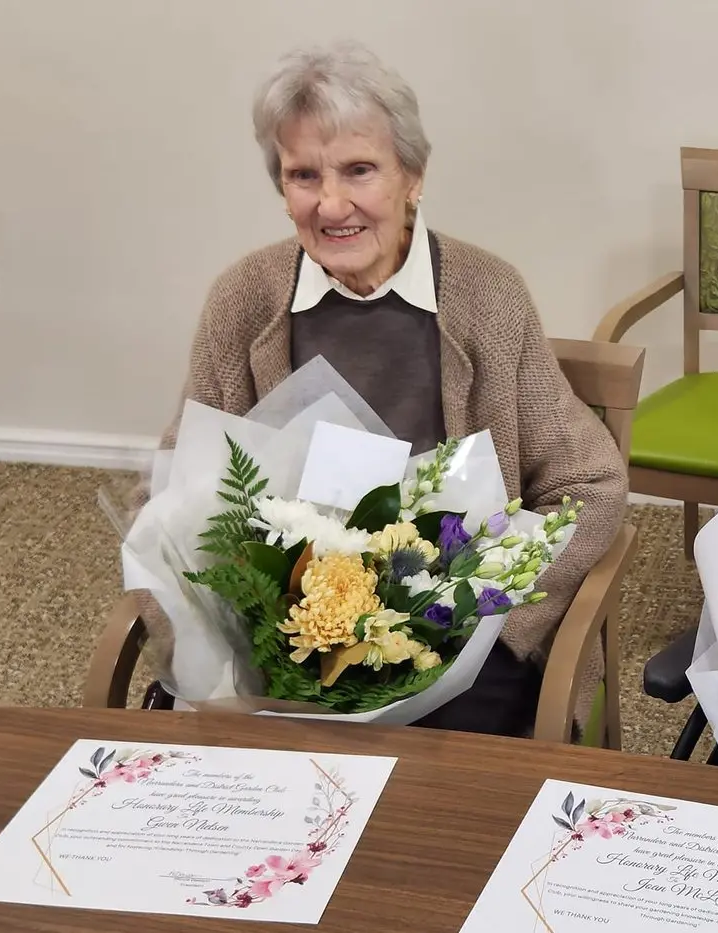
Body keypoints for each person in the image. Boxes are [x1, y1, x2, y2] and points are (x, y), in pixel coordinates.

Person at [156, 41, 626, 739]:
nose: (331, 202)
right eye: (303, 175)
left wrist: (487, 613)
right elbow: (172, 489)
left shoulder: (488, 297)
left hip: (451, 630)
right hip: (289, 624)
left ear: (412, 176)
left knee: (434, 811)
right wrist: (209, 621)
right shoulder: (242, 301)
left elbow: (590, 484)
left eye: (359, 170)